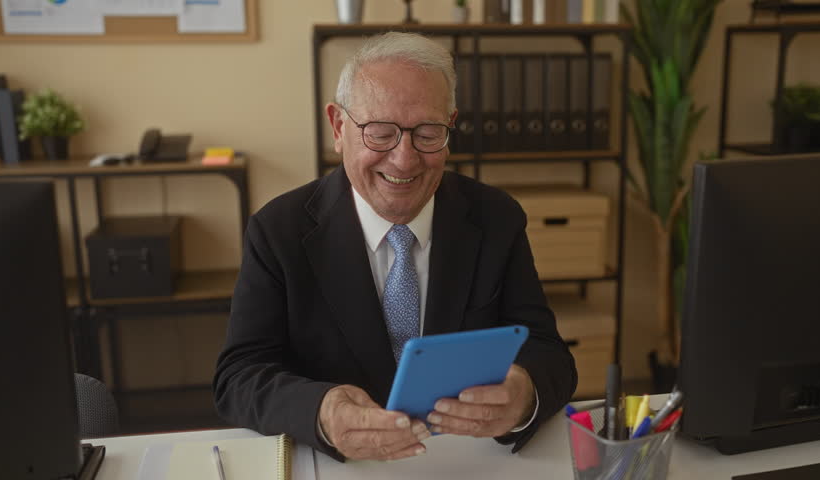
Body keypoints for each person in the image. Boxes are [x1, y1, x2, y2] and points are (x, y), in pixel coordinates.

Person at [213, 31, 577, 462]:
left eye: (427, 132)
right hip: (340, 466)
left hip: (465, 462)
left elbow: (548, 351)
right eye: (379, 133)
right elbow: (239, 376)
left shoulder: (496, 218)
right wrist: (323, 412)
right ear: (338, 126)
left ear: (450, 126)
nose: (404, 159)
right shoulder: (278, 230)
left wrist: (523, 393)